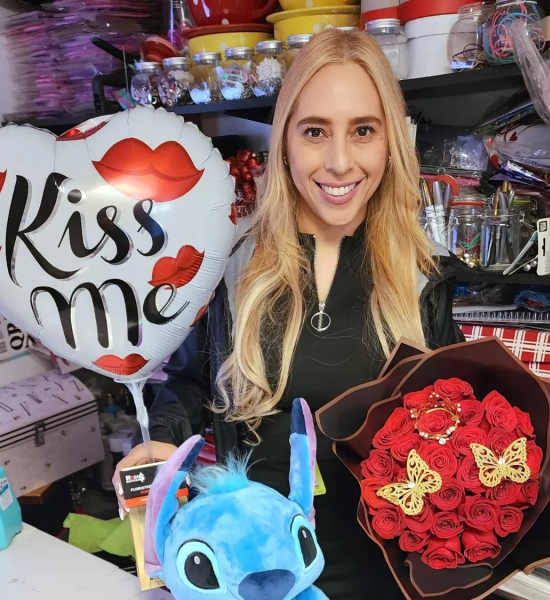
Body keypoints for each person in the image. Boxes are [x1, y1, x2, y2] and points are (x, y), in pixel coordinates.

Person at [114, 29, 463, 597]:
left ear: (390, 142)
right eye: (315, 131)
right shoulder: (231, 265)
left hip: (389, 582)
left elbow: (458, 427)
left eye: (363, 131)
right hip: (257, 578)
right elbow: (188, 384)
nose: (340, 162)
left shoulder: (425, 278)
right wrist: (162, 442)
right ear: (285, 142)